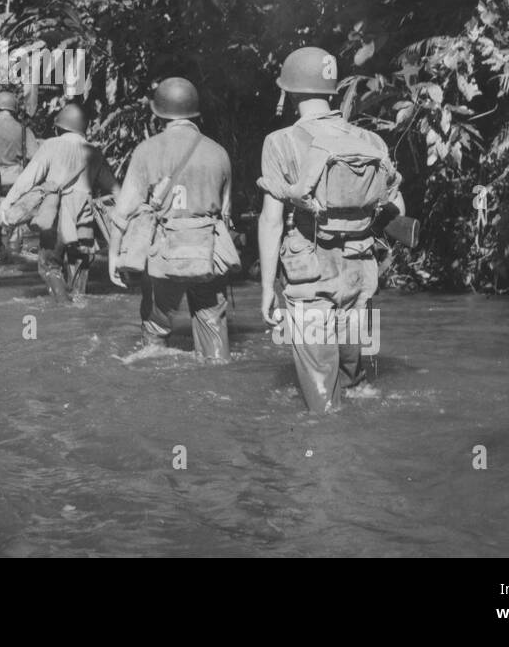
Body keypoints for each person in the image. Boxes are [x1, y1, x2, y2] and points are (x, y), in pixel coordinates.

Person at [257, 46, 405, 412]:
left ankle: (325, 461)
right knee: (355, 385)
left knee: (321, 397)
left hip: (310, 278)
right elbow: (398, 206)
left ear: (288, 91)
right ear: (332, 90)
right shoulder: (370, 141)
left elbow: (272, 220)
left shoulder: (280, 142)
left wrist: (266, 289)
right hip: (360, 276)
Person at [109, 77, 234, 361]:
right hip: (207, 253)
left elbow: (124, 211)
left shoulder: (147, 151)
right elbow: (226, 212)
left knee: (155, 331)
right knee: (212, 329)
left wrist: (115, 256)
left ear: (159, 113)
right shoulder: (219, 153)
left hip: (163, 255)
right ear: (194, 112)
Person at [4, 103, 117, 305]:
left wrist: (8, 204)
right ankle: (78, 309)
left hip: (56, 214)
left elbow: (28, 178)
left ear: (60, 127)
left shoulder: (51, 145)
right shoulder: (95, 152)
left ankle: (64, 306)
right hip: (84, 220)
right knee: (79, 268)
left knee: (49, 266)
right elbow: (115, 190)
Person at [0, 91, 40, 259]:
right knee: (15, 219)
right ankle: (14, 251)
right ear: (14, 109)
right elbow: (35, 157)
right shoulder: (23, 130)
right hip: (16, 181)